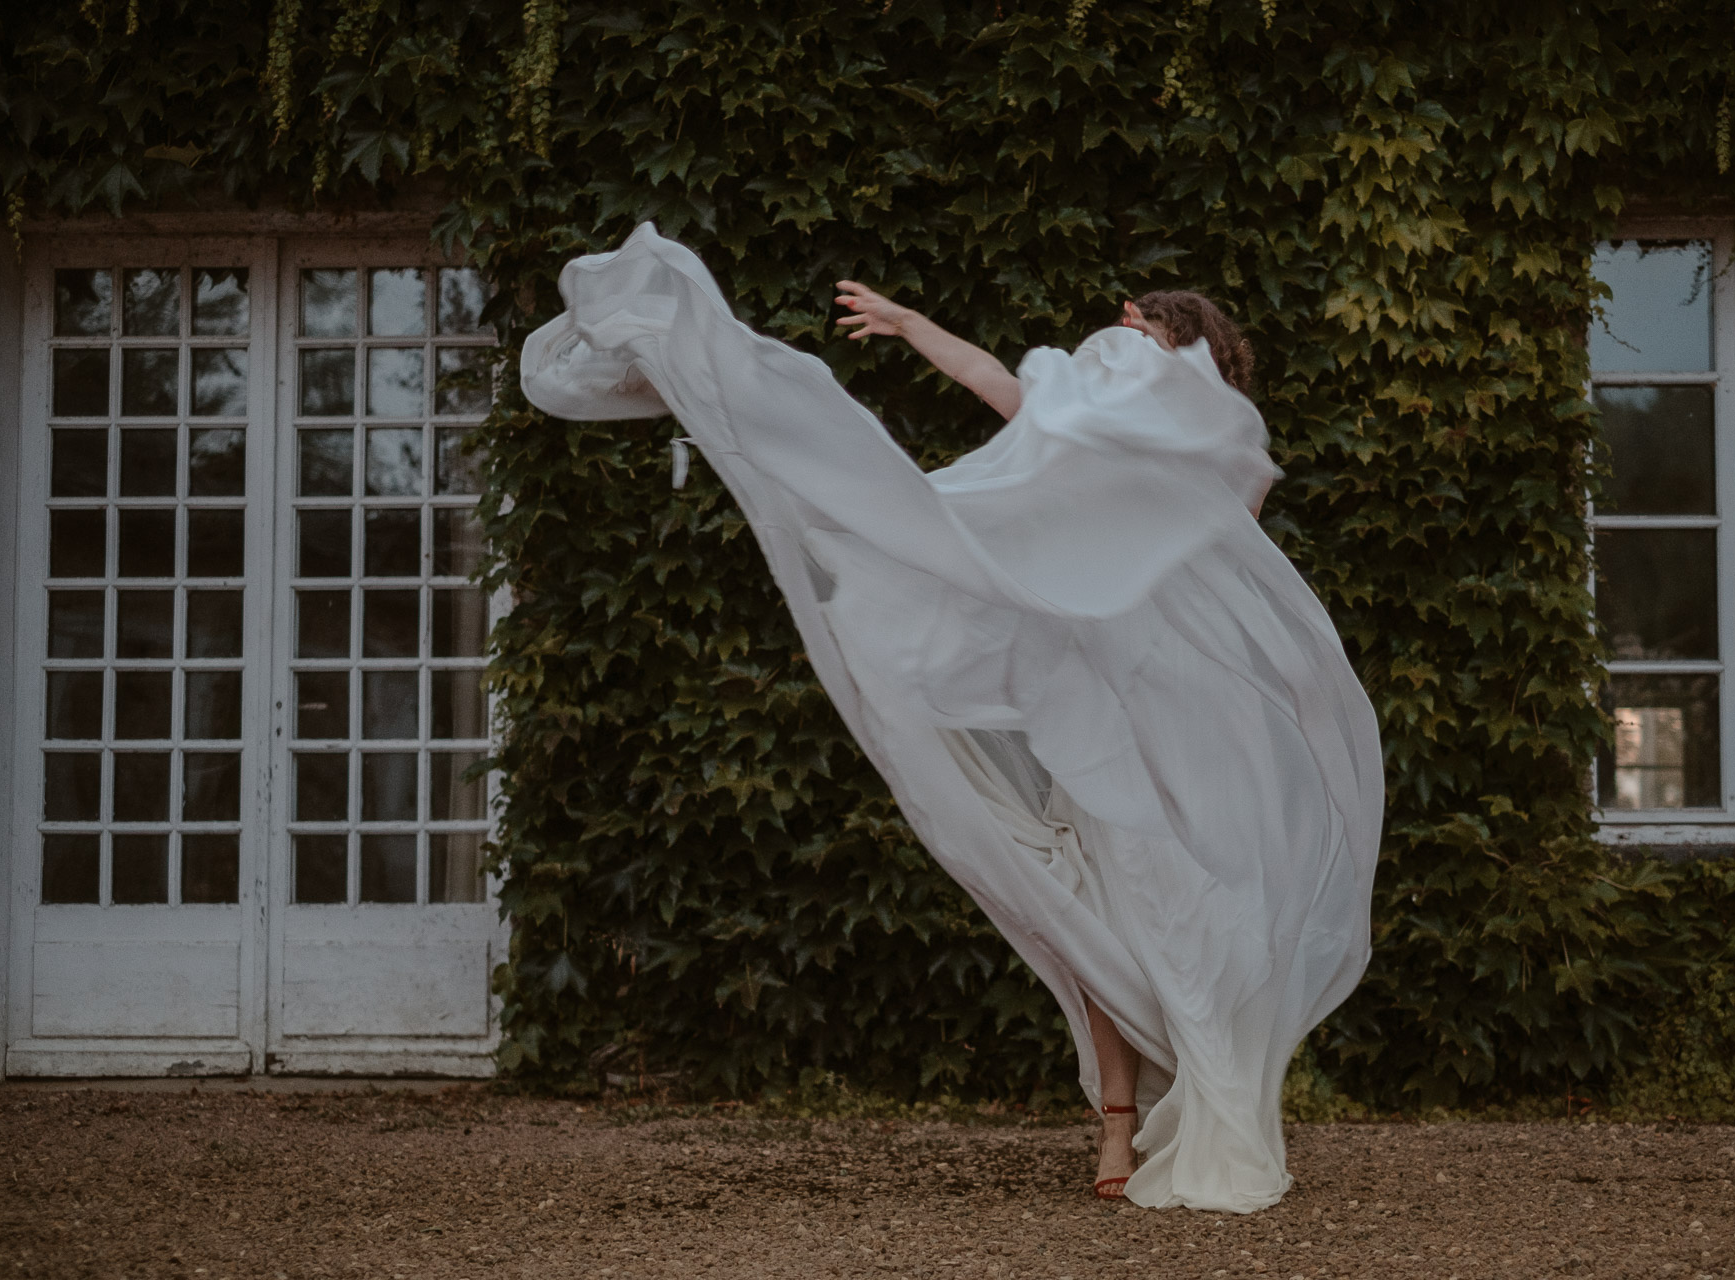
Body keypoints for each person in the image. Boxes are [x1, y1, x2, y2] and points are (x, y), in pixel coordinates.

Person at [520, 224, 1383, 1212]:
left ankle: (1189, 1094)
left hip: (1179, 715)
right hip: (1102, 705)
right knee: (1098, 898)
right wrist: (903, 322)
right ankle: (1114, 1115)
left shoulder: (1215, 464)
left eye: (1126, 324)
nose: (1107, 339)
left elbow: (1216, 591)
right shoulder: (1107, 439)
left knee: (1184, 900)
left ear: (1151, 331)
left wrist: (909, 323)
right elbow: (995, 386)